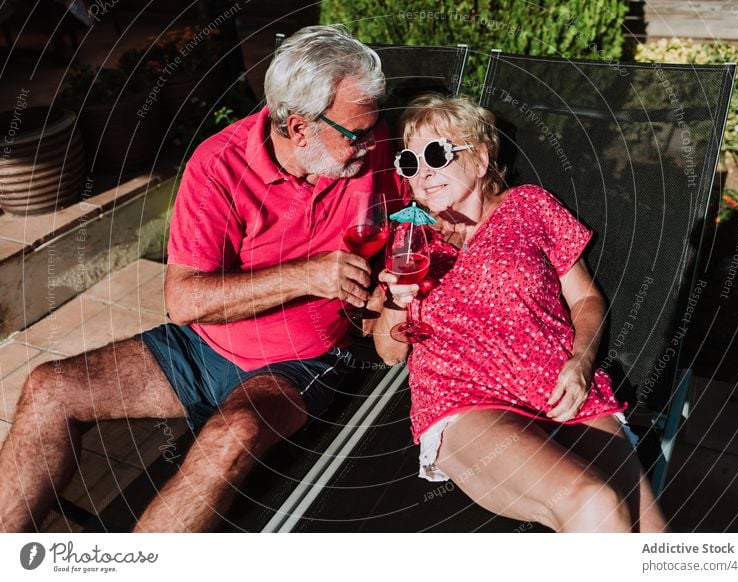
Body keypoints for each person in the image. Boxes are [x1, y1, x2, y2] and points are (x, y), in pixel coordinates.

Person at [0, 25, 400, 532]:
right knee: (48, 388)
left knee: (229, 436)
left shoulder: (374, 145)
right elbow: (184, 301)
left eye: (372, 125)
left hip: (297, 363)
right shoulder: (218, 166)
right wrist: (306, 276)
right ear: (299, 129)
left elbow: (436, 202)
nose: (371, 141)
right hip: (199, 348)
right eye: (355, 133)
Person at [374, 94, 668, 533]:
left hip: (559, 385)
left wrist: (581, 363)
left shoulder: (529, 206)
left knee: (653, 537)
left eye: (436, 153)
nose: (424, 172)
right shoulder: (412, 238)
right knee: (594, 503)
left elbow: (586, 299)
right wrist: (397, 301)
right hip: (466, 395)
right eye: (411, 162)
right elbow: (388, 352)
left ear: (480, 159)